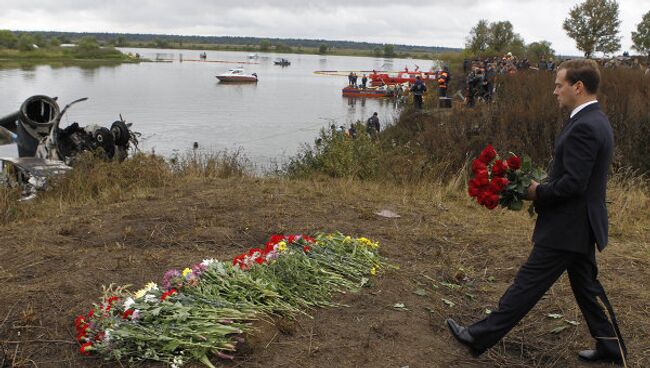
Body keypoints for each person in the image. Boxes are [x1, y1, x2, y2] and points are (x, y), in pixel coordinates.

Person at [446, 59, 627, 365]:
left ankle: (479, 336)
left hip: (568, 226)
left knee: (527, 284)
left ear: (577, 87)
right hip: (579, 224)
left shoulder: (585, 125)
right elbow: (574, 176)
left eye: (559, 85)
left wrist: (537, 191)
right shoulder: (595, 119)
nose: (555, 91)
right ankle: (610, 345)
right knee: (586, 288)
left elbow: (574, 184)